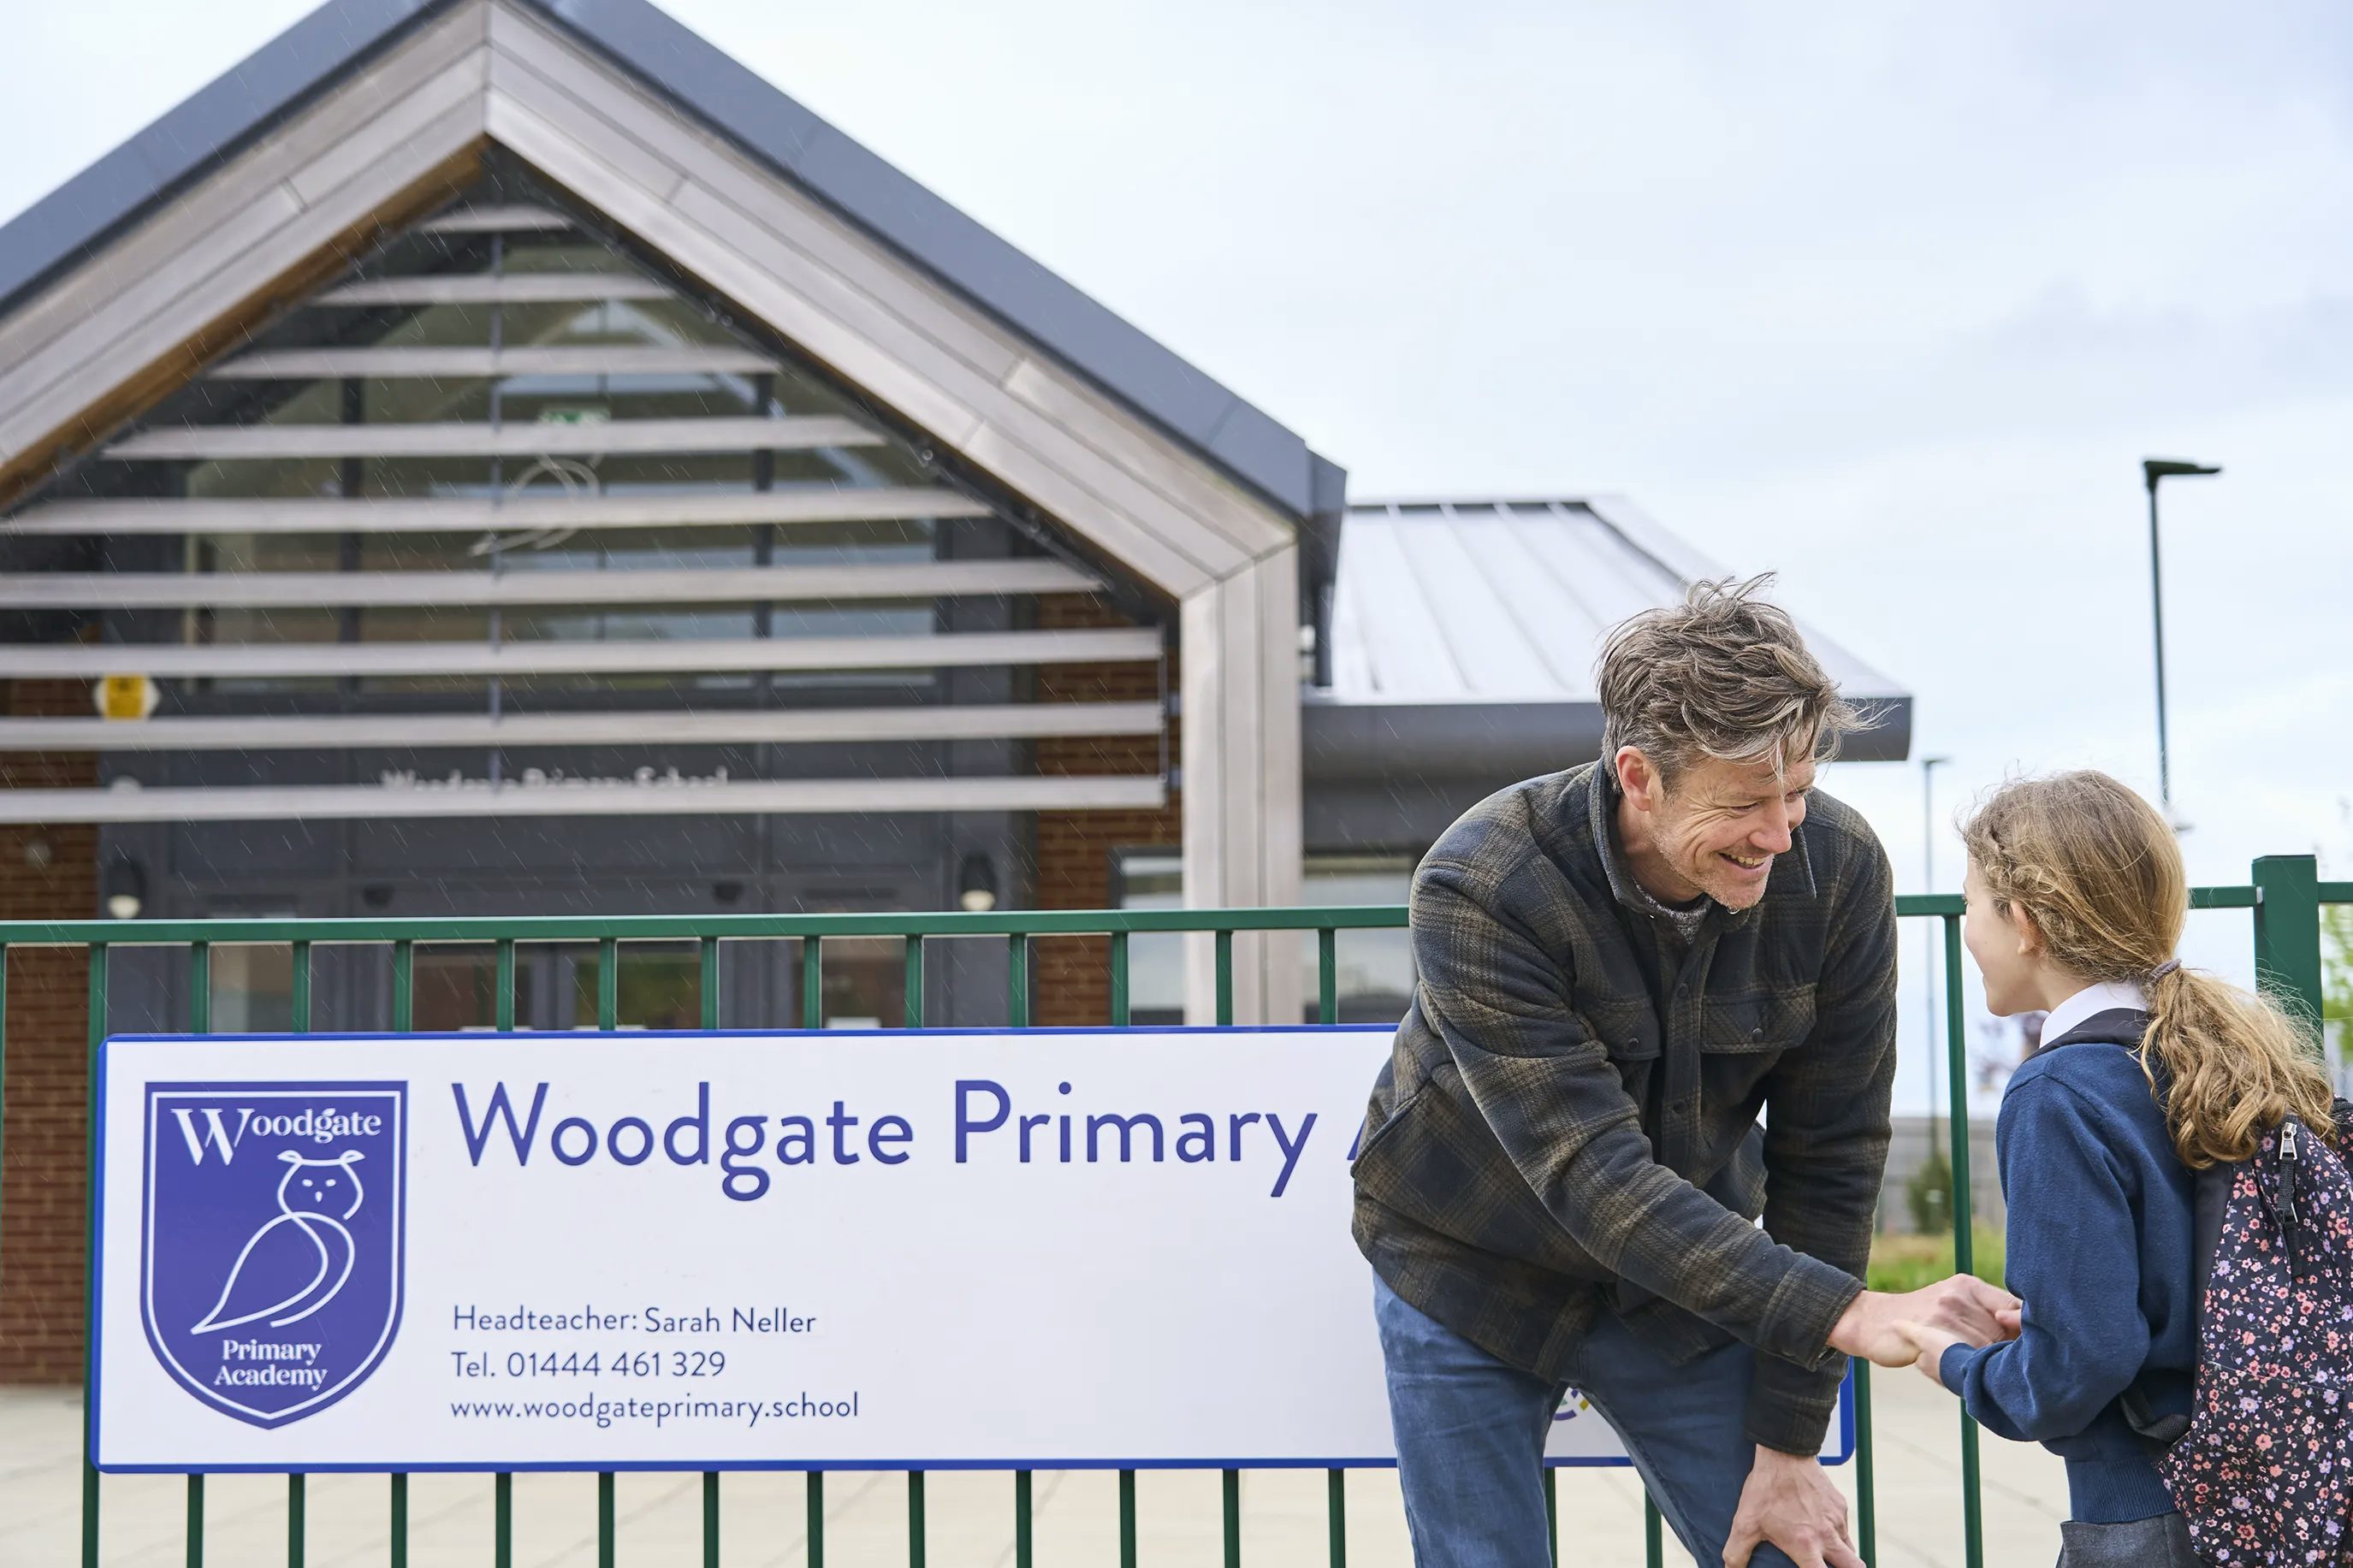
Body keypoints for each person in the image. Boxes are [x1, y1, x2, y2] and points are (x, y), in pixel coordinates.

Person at [1352, 577, 2018, 1568]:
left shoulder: (1835, 870)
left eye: (1796, 793)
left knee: (1781, 1552)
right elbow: (1591, 1174)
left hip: (1678, 1275)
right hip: (1463, 1263)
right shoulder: (1482, 882)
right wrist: (1851, 1313)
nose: (1779, 834)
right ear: (1638, 777)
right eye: (1745, 802)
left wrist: (1790, 1440)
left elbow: (1829, 1157)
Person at [1901, 771, 2338, 1566]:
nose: (1967, 929)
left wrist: (1962, 1366)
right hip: (2274, 1495)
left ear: (2025, 922)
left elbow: (2084, 1359)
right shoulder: (2225, 1059)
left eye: (1971, 902)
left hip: (2149, 1511)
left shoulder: (2057, 1091)